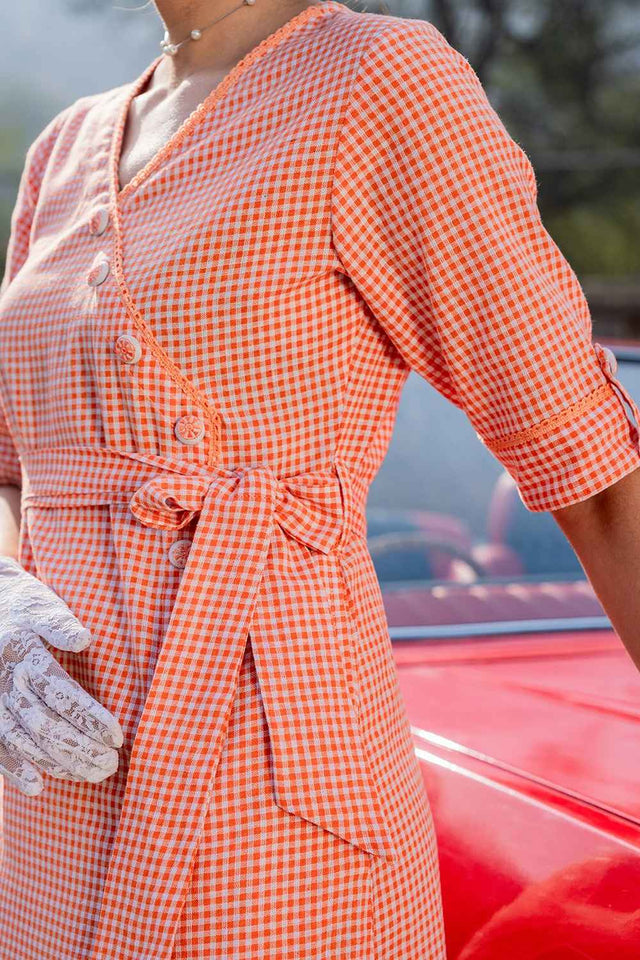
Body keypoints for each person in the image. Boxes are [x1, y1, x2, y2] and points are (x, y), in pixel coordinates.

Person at [1, 0, 640, 957]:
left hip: (270, 795)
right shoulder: (64, 146)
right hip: (47, 805)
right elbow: (9, 466)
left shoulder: (380, 80)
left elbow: (591, 470)